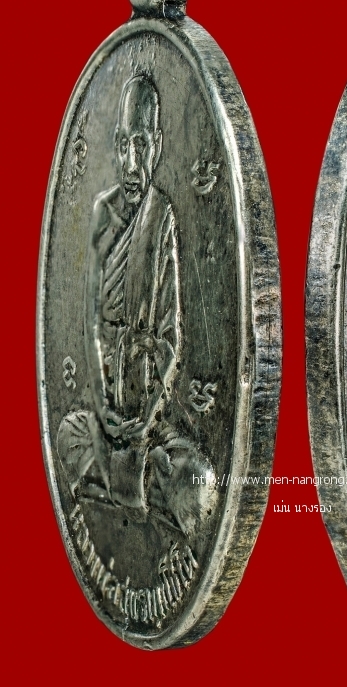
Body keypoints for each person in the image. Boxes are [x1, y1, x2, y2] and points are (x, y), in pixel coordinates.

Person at [58, 74, 216, 540]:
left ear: (157, 146)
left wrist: (146, 419)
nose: (132, 163)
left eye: (142, 146)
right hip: (106, 415)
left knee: (197, 480)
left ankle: (118, 481)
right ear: (115, 144)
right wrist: (103, 407)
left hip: (149, 419)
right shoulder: (102, 215)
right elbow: (90, 323)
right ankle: (134, 484)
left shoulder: (161, 217)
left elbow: (171, 338)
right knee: (67, 434)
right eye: (125, 145)